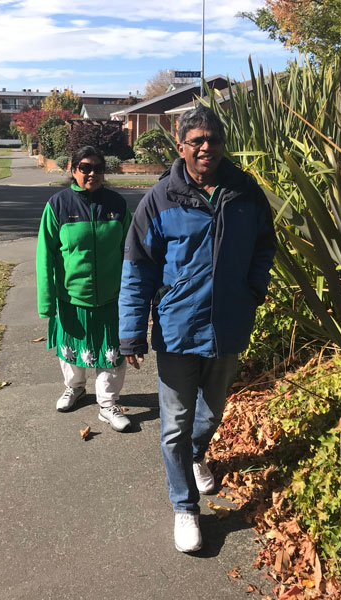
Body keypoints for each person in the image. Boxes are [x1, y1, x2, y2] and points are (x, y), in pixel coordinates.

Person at [119, 106, 276, 552]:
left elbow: (266, 245)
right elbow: (138, 270)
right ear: (181, 146)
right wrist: (131, 333)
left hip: (228, 328)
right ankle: (185, 508)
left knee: (209, 416)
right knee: (174, 426)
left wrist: (253, 290)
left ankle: (197, 454)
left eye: (214, 139)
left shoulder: (245, 192)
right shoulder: (160, 199)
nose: (207, 147)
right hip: (176, 330)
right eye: (197, 140)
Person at [36, 146, 131, 432]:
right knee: (72, 351)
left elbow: (131, 249)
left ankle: (108, 403)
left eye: (98, 168)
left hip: (112, 297)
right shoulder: (58, 205)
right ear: (73, 168)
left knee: (111, 352)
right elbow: (45, 255)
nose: (92, 173)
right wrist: (46, 300)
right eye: (85, 167)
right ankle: (75, 388)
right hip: (71, 298)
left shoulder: (117, 205)